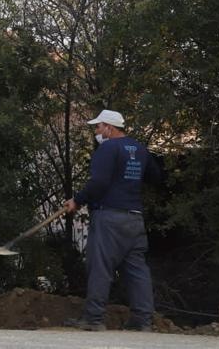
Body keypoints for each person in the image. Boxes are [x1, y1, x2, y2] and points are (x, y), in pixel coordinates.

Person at [64, 109, 162, 333]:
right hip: (134, 219)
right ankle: (142, 320)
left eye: (98, 127)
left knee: (100, 266)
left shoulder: (107, 148)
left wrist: (77, 200)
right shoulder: (139, 148)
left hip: (110, 217)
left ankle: (93, 319)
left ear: (109, 127)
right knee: (137, 269)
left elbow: (99, 182)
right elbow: (155, 177)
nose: (96, 131)